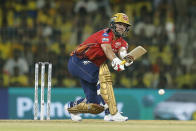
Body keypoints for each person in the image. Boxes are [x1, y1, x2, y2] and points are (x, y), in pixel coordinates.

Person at [65, 13, 133, 121]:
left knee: (94, 104)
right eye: (119, 24)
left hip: (91, 67)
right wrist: (115, 60)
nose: (122, 27)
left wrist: (126, 59)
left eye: (124, 25)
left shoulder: (123, 42)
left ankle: (72, 106)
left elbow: (122, 51)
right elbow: (107, 49)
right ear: (113, 24)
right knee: (102, 76)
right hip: (77, 61)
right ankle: (111, 113)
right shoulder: (105, 34)